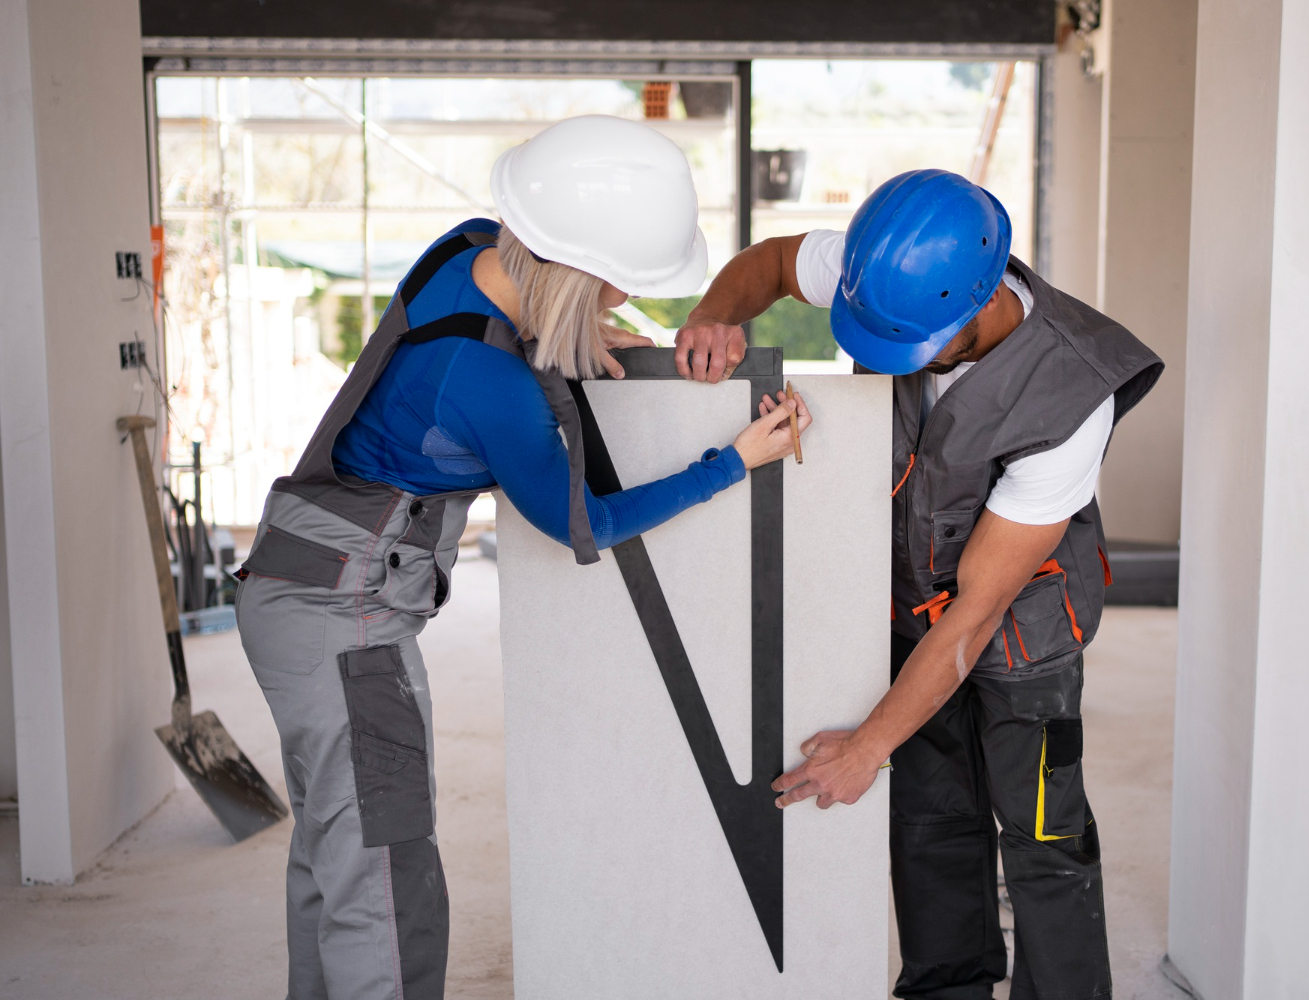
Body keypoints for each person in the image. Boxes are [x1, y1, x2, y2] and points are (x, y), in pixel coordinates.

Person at [235, 115, 810, 1000]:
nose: (624, 301)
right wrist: (732, 462)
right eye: (616, 288)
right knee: (386, 880)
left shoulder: (467, 248)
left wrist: (575, 336)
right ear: (575, 269)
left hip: (295, 577)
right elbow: (586, 525)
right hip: (345, 620)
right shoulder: (489, 384)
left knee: (336, 858)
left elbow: (505, 331)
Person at [675, 169, 1162, 1000]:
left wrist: (868, 746)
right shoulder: (887, 273)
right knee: (931, 821)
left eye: (918, 344)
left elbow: (978, 611)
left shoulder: (1071, 393)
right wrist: (713, 315)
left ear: (982, 301)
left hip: (1025, 633)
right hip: (909, 605)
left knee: (1044, 839)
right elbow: (772, 263)